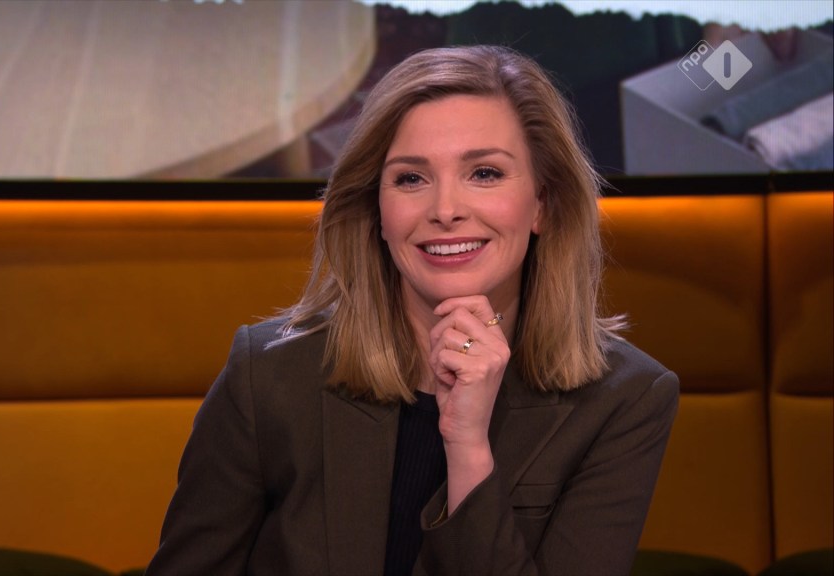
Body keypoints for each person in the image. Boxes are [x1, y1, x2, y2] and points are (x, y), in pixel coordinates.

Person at [146, 45, 678, 576]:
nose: (445, 210)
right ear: (376, 209)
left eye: (485, 173)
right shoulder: (269, 374)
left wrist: (467, 449)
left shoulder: (625, 399)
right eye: (411, 178)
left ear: (544, 202)